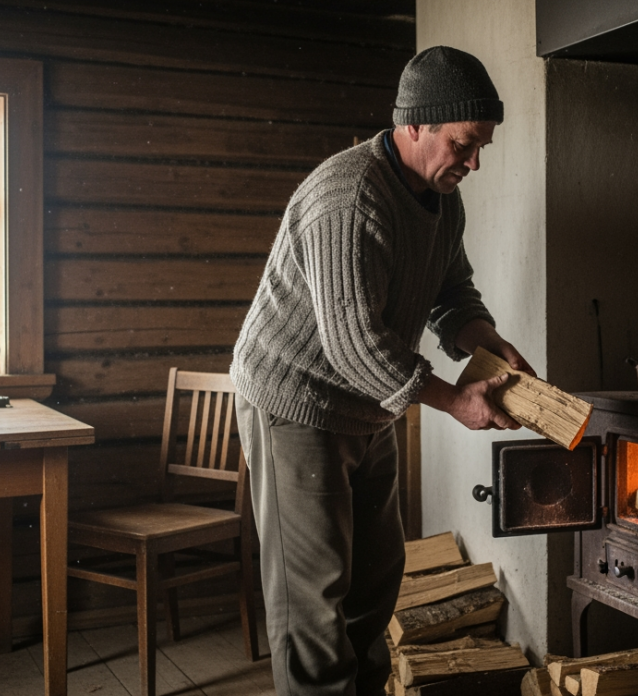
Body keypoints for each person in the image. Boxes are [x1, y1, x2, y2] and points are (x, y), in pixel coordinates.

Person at [230, 45, 534, 696]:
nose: (475, 162)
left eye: (481, 145)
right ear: (415, 125)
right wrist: (457, 401)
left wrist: (487, 340)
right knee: (313, 607)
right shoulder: (349, 194)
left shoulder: (442, 200)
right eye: (463, 143)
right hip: (297, 405)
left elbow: (452, 295)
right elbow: (354, 343)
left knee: (375, 583)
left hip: (369, 404)